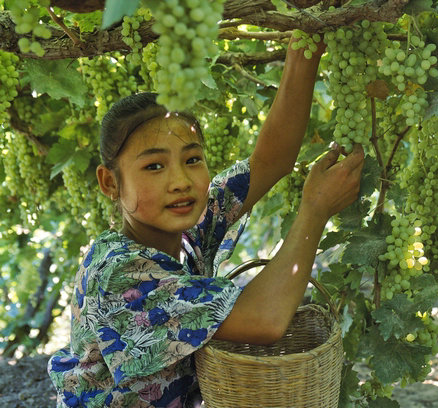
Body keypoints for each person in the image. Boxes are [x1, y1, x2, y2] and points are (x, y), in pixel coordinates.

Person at [47, 35, 365, 407]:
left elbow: (269, 162)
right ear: (110, 182)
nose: (181, 180)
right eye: (154, 166)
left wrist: (304, 49)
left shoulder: (187, 233)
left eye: (193, 159)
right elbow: (265, 321)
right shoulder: (120, 274)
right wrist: (315, 210)